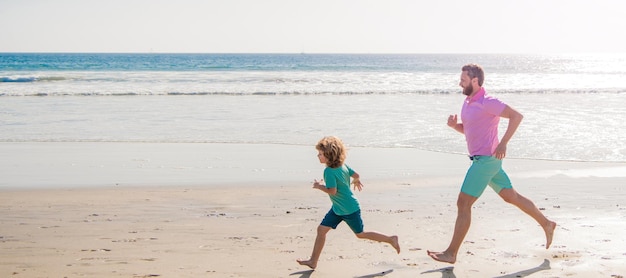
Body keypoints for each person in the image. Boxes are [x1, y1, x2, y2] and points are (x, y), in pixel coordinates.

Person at [427, 64, 557, 264]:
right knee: (511, 196)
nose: (459, 83)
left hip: (485, 161)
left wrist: (504, 142)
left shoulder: (488, 102)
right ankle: (547, 224)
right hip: (489, 161)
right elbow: (471, 131)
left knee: (463, 203)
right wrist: (455, 127)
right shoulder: (469, 102)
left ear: (475, 81)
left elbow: (516, 116)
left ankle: (451, 253)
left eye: (463, 80)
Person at [297, 136, 400, 269]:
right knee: (321, 230)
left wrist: (318, 186)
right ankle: (313, 261)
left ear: (329, 155)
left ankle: (390, 239)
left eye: (320, 154)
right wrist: (356, 181)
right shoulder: (343, 166)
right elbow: (356, 175)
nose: (318, 156)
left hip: (349, 209)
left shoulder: (328, 171)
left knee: (360, 234)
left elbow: (332, 191)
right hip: (338, 208)